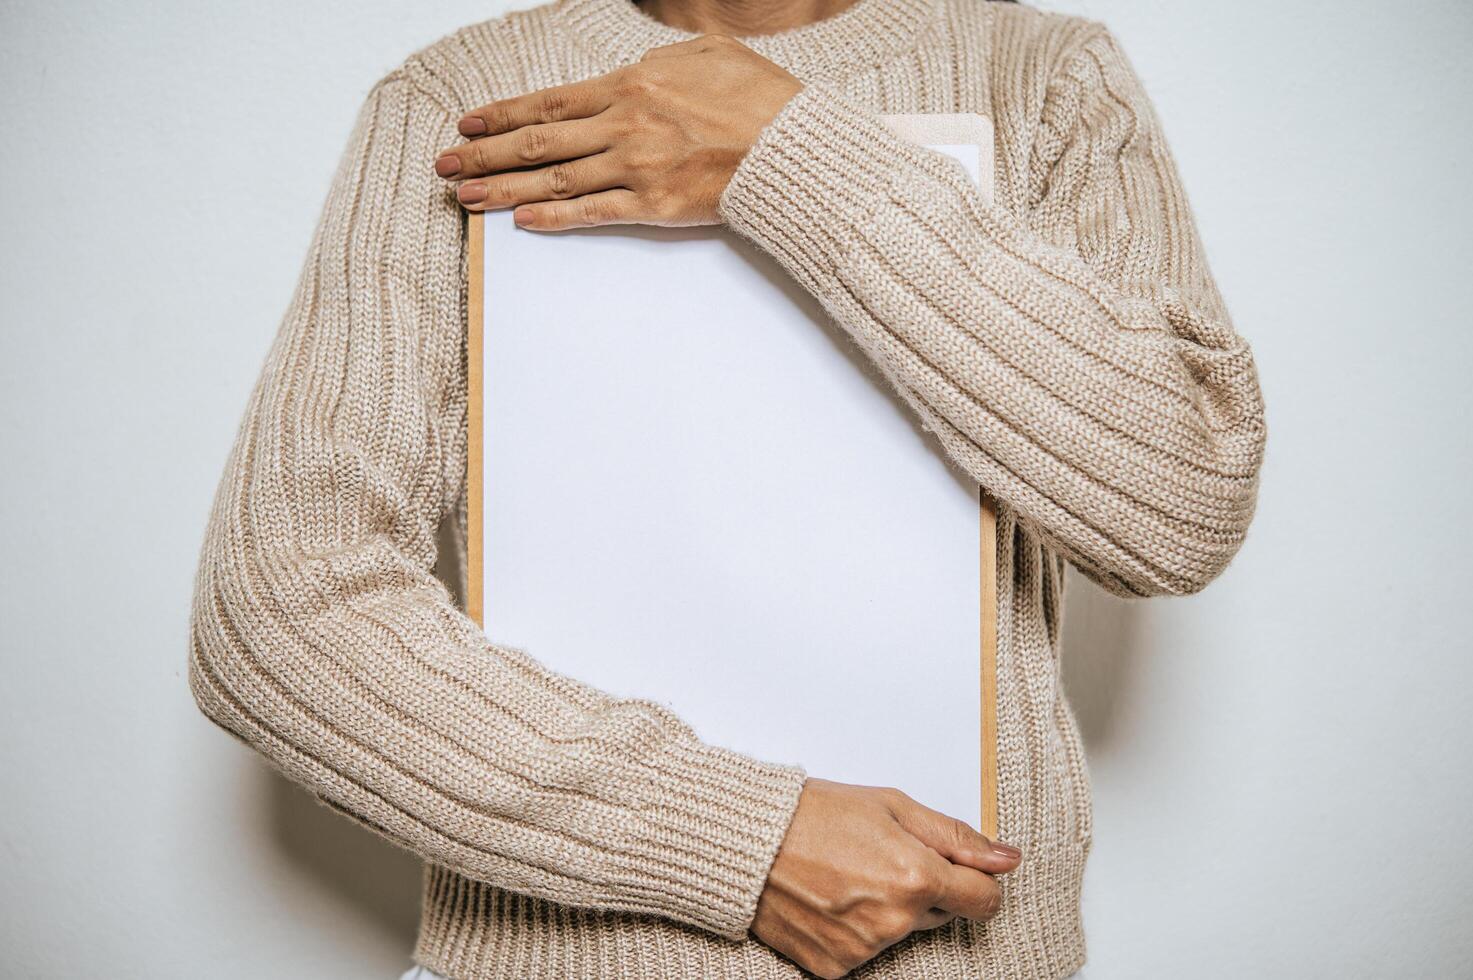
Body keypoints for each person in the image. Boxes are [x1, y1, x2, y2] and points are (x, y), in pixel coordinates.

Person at [187, 0, 1267, 976]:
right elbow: (280, 609)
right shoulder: (462, 99)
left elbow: (1180, 504)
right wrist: (744, 839)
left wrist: (788, 150)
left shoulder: (1041, 77)